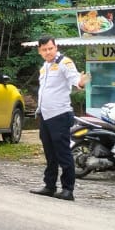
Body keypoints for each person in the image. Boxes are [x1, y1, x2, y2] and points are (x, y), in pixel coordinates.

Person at [31, 35, 88, 201]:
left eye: (50, 48)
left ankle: (68, 189)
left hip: (60, 115)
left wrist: (81, 82)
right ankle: (49, 186)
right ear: (39, 51)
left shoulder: (65, 63)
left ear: (55, 47)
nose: (48, 52)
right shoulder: (44, 67)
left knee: (63, 153)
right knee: (50, 154)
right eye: (44, 50)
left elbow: (74, 78)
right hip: (45, 116)